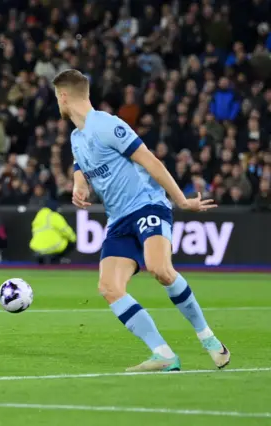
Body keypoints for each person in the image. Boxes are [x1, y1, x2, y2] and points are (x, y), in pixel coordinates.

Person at [53, 69, 229, 372]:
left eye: (57, 96)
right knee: (109, 287)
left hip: (147, 205)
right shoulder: (76, 136)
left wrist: (181, 200)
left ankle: (208, 338)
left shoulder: (107, 125)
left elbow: (150, 160)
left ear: (64, 96)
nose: (57, 102)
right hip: (119, 219)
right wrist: (79, 184)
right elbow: (80, 165)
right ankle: (163, 354)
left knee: (160, 269)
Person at [29, 199, 76, 264]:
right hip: (52, 247)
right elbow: (66, 231)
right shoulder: (54, 216)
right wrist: (74, 239)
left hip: (36, 248)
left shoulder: (38, 216)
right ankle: (56, 259)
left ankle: (41, 260)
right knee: (72, 242)